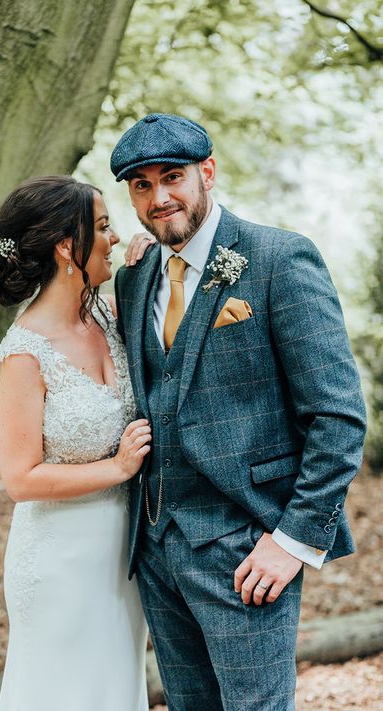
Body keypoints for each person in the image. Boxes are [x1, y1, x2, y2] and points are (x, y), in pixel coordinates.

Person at [110, 113, 366, 710]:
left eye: (172, 177)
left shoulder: (280, 259)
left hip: (249, 551)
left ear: (208, 172)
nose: (160, 197)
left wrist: (293, 541)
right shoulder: (136, 275)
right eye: (142, 185)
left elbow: (338, 417)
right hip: (156, 547)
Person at [0, 175, 149, 711]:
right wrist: (119, 468)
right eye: (103, 227)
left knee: (113, 690)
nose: (116, 237)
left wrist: (149, 258)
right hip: (59, 562)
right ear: (65, 246)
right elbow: (20, 478)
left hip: (122, 561)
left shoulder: (104, 313)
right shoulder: (24, 353)